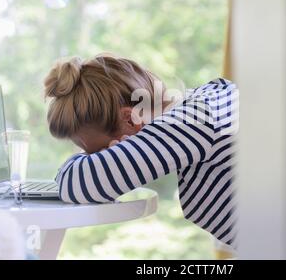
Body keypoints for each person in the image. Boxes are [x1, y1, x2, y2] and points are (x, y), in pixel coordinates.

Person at [44, 53, 238, 248]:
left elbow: (76, 183)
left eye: (101, 152)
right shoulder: (206, 104)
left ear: (130, 119)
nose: (102, 159)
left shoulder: (191, 121)